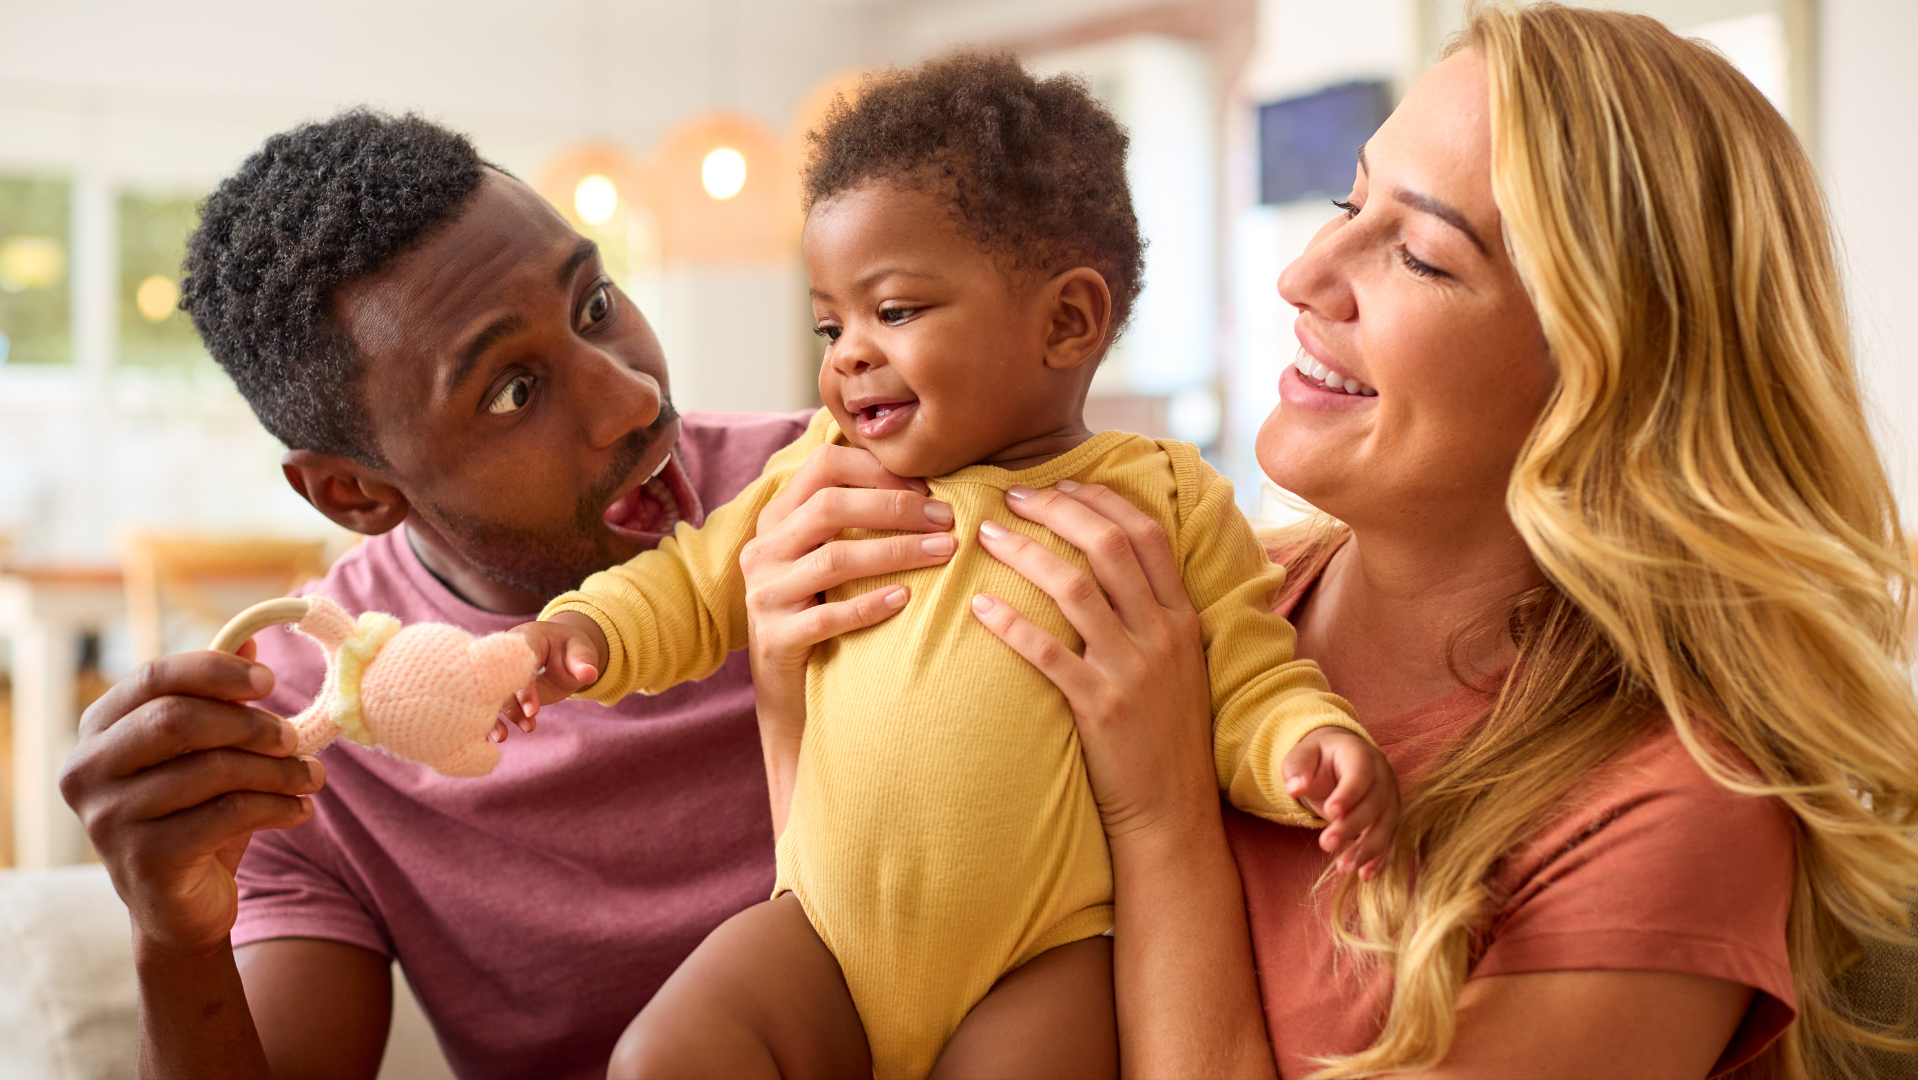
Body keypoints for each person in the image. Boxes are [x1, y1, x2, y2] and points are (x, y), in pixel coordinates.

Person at [750, 6, 1918, 1078]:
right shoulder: (1204, 595)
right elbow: (880, 972)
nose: (1304, 276)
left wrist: (1160, 820)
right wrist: (789, 694)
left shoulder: (1672, 811)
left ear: (1604, 379)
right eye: (1351, 204)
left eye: (1419, 253)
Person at [511, 54, 1395, 1080]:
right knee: (665, 1055)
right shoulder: (816, 472)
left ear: (1068, 321)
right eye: (830, 324)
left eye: (894, 312)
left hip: (1045, 955)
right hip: (822, 938)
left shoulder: (1162, 498)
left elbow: (1247, 677)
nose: (844, 356)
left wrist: (1308, 748)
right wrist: (580, 634)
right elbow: (684, 581)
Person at [55, 112, 961, 1080]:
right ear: (353, 492)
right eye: (512, 392)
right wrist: (175, 937)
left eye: (596, 303)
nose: (634, 400)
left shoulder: (859, 489)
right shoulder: (302, 731)